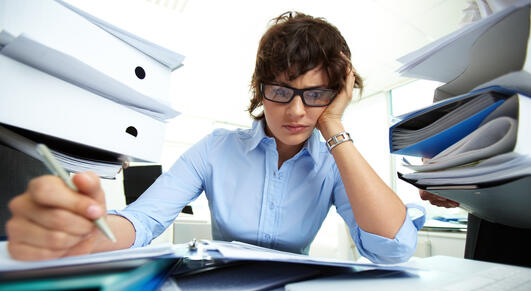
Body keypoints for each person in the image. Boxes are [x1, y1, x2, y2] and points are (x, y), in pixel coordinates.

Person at [6, 11, 424, 262]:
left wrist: (334, 126)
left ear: (337, 96)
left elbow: (392, 249)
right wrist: (87, 233)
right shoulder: (215, 149)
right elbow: (146, 218)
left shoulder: (335, 159)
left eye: (315, 95)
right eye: (280, 91)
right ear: (260, 89)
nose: (296, 111)